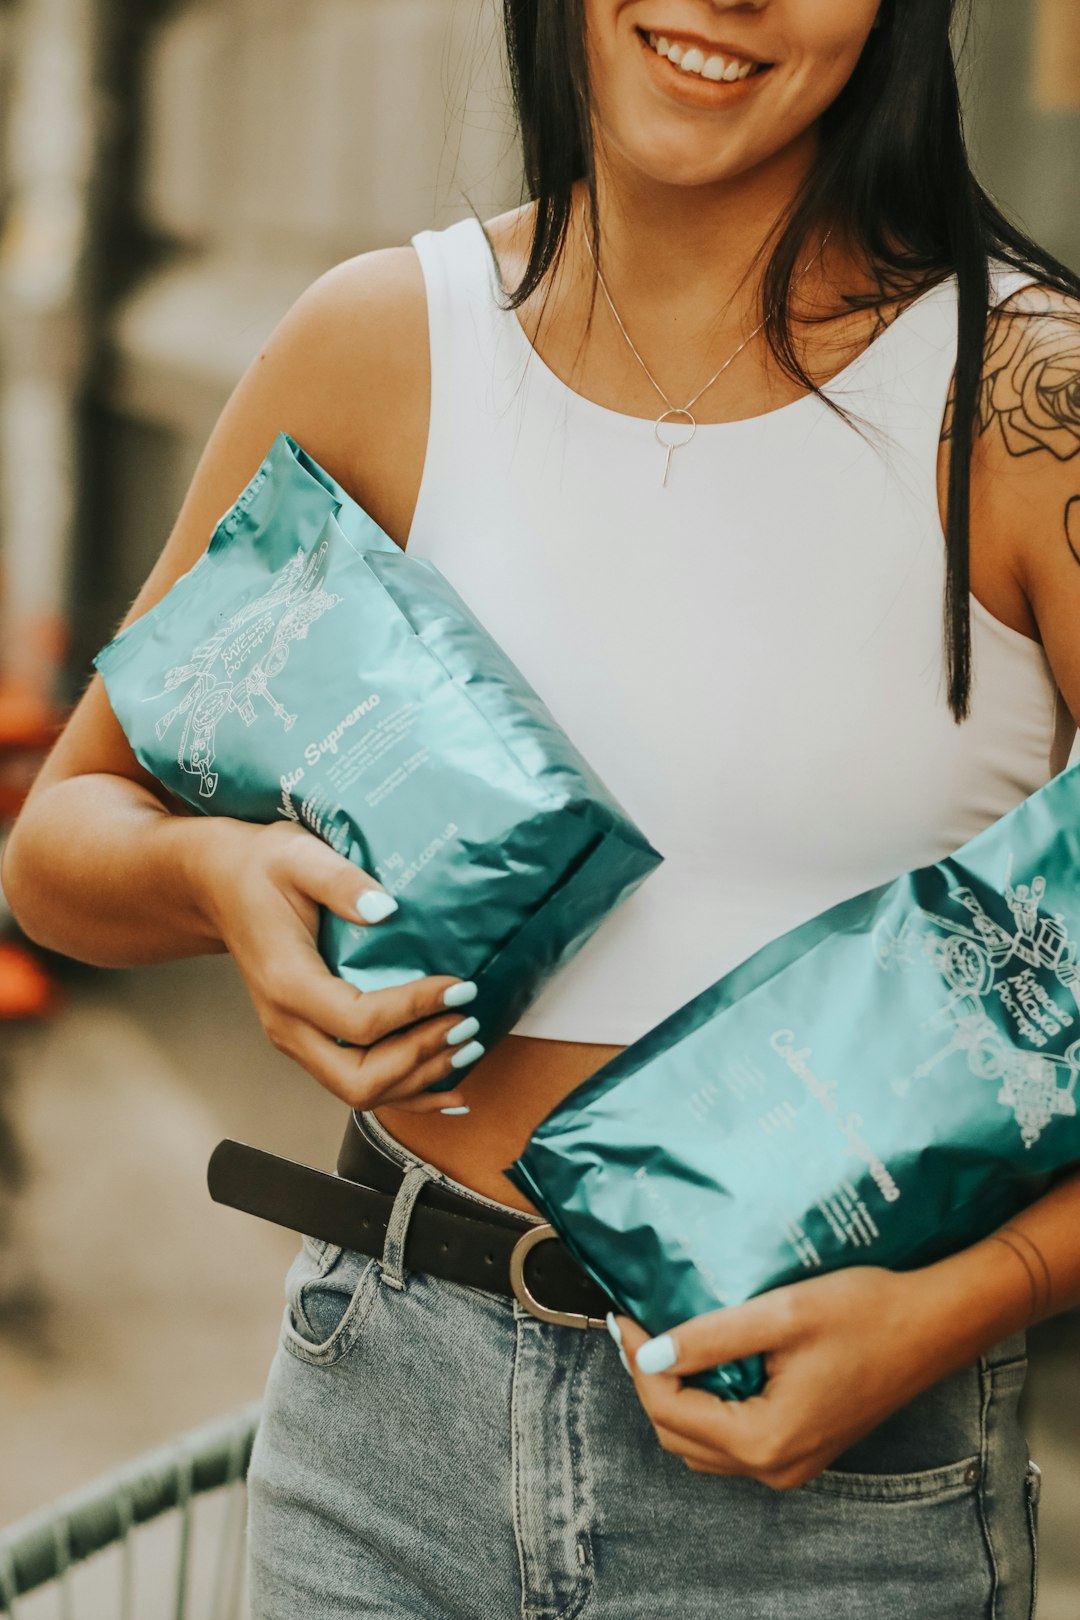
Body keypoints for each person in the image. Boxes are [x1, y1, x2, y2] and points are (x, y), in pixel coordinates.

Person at [6, 1, 1080, 1614]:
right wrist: (224, 880)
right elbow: (58, 851)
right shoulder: (381, 340)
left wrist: (955, 1312)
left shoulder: (1027, 403)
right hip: (384, 1417)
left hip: (837, 1471)